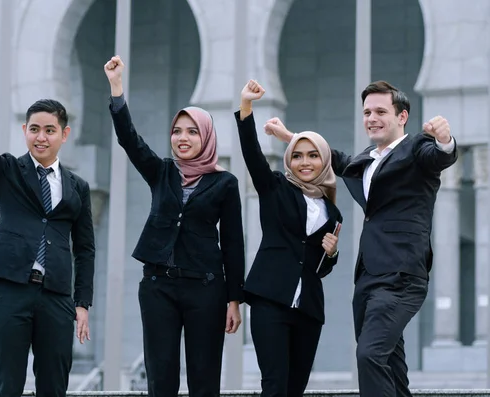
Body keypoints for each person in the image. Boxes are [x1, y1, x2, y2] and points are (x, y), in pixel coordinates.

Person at [264, 80, 457, 397]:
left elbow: (440, 157)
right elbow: (336, 159)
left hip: (401, 274)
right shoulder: (368, 157)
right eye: (367, 112)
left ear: (402, 116)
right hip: (368, 274)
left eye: (381, 111)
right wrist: (290, 138)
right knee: (390, 364)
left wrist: (445, 139)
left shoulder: (418, 148)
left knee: (369, 355)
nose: (372, 118)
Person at [104, 55, 245, 397]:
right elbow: (130, 142)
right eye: (177, 131)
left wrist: (234, 300)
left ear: (206, 136)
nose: (183, 138)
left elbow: (233, 243)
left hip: (206, 290)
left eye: (192, 131)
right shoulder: (162, 171)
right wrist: (117, 89)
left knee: (204, 378)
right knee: (161, 379)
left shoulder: (224, 183)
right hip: (158, 288)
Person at [0, 53, 96, 397]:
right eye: (34, 130)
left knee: (54, 387)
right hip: (11, 291)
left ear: (64, 134)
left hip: (56, 297)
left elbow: (86, 249)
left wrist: (82, 304)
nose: (41, 138)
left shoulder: (78, 187)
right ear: (25, 131)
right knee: (6, 386)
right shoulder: (8, 171)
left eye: (49, 130)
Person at [235, 79, 342, 396]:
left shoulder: (332, 213)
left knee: (296, 388)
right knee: (274, 385)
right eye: (297, 155)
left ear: (324, 160)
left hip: (308, 310)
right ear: (289, 160)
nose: (305, 162)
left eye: (313, 156)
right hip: (270, 301)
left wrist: (332, 254)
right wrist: (246, 107)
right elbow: (252, 155)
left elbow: (319, 268)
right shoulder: (275, 187)